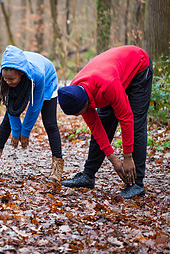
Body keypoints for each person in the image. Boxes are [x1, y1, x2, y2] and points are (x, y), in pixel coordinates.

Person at [58, 45, 152, 199]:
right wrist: (113, 159)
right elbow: (97, 128)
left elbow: (126, 118)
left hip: (138, 66)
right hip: (111, 74)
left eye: (78, 113)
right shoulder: (75, 91)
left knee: (135, 123)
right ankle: (88, 176)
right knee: (104, 122)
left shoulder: (108, 85)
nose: (78, 116)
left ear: (85, 103)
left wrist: (127, 157)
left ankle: (136, 184)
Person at [0, 45, 64, 181]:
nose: (7, 82)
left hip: (47, 79)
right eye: (5, 79)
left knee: (50, 123)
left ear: (21, 73)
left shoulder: (38, 76)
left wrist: (25, 132)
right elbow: (11, 108)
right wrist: (16, 130)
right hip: (24, 78)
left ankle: (57, 167)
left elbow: (35, 105)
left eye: (11, 79)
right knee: (7, 119)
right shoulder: (5, 73)